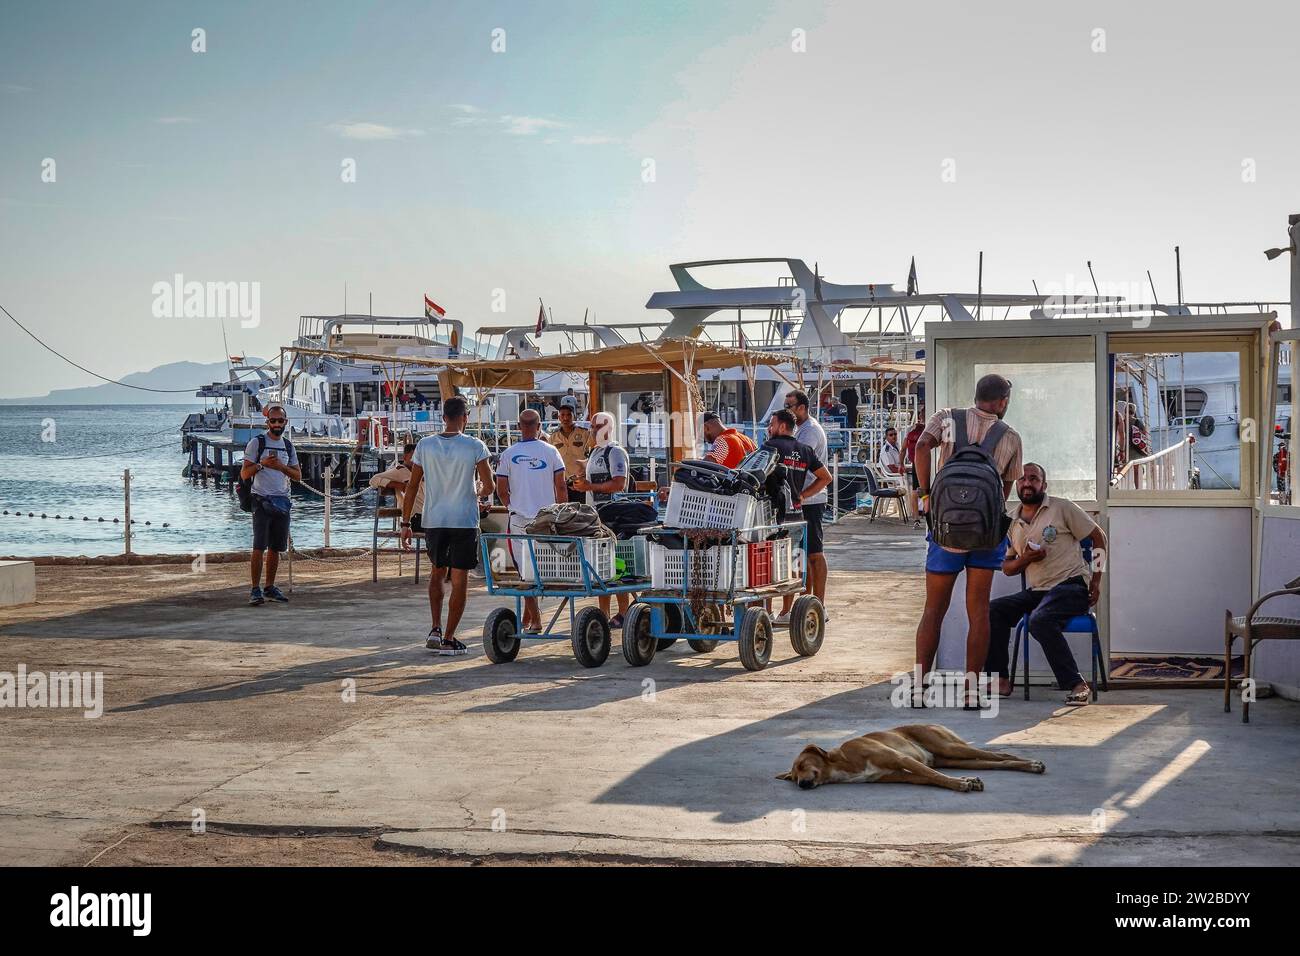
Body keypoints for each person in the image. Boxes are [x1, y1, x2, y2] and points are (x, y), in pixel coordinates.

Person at [912, 374, 1023, 705]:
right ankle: (972, 691)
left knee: (934, 609)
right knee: (979, 612)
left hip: (945, 531)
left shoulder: (947, 418)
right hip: (986, 538)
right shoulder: (1010, 437)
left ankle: (919, 687)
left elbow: (920, 446)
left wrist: (925, 493)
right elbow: (1005, 490)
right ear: (1002, 401)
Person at [986, 463, 1107, 705]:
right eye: (1022, 479)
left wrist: (1096, 580)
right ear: (1016, 485)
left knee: (1040, 620)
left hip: (1071, 586)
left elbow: (1098, 537)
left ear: (1044, 484)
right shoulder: (1012, 521)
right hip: (1038, 593)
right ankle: (1001, 680)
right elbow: (1007, 568)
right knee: (993, 610)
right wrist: (1026, 559)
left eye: (1033, 479)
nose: (1027, 483)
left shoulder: (1061, 508)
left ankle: (1077, 684)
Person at [401, 396, 494, 655]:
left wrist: (405, 523)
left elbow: (411, 487)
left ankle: (434, 628)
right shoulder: (475, 445)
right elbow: (489, 486)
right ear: (465, 417)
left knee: (437, 572)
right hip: (464, 519)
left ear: (444, 417)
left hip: (435, 519)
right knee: (460, 577)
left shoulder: (425, 445)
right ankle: (450, 638)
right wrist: (477, 491)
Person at [495, 409, 567, 634]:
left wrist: (511, 507)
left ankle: (534, 620)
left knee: (526, 572)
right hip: (547, 519)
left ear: (519, 427)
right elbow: (561, 486)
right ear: (538, 427)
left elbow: (501, 489)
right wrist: (562, 513)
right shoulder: (551, 451)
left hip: (519, 520)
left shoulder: (508, 453)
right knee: (542, 568)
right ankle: (529, 618)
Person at [765, 409, 833, 622]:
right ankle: (787, 611)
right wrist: (802, 495)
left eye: (772, 424)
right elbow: (826, 477)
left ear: (782, 426)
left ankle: (767, 611)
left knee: (767, 562)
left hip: (773, 514)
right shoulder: (804, 450)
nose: (769, 428)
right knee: (794, 561)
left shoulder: (770, 447)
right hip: (796, 513)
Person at [572, 411, 633, 626]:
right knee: (601, 566)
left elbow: (619, 484)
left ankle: (624, 612)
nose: (592, 430)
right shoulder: (597, 452)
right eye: (592, 426)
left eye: (596, 426)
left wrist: (590, 486)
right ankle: (604, 613)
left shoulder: (615, 451)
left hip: (613, 515)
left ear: (607, 427)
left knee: (615, 564)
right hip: (597, 515)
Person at [240, 403, 301, 607]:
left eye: (280, 421)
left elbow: (298, 476)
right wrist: (262, 465)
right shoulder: (257, 443)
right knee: (259, 546)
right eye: (273, 420)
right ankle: (255, 588)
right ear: (267, 422)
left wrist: (281, 467)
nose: (276, 424)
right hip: (261, 499)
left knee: (276, 547)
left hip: (282, 501)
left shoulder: (288, 446)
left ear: (285, 422)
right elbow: (244, 473)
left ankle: (270, 586)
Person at [369, 443, 424, 529]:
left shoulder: (423, 472)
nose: (417, 460)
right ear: (405, 457)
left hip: (427, 515)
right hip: (414, 517)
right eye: (414, 457)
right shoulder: (399, 471)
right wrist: (397, 484)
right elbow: (373, 480)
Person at [548, 404, 594, 504]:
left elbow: (592, 455)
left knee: (583, 513)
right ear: (559, 417)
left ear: (574, 416)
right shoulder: (553, 438)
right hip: (563, 484)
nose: (565, 418)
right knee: (565, 514)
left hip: (582, 482)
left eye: (569, 415)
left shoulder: (585, 434)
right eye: (562, 415)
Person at [902, 416, 926, 522]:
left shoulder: (910, 429)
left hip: (915, 462)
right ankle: (928, 513)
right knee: (929, 488)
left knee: (915, 490)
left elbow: (903, 449)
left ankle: (916, 518)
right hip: (928, 461)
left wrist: (901, 464)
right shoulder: (931, 427)